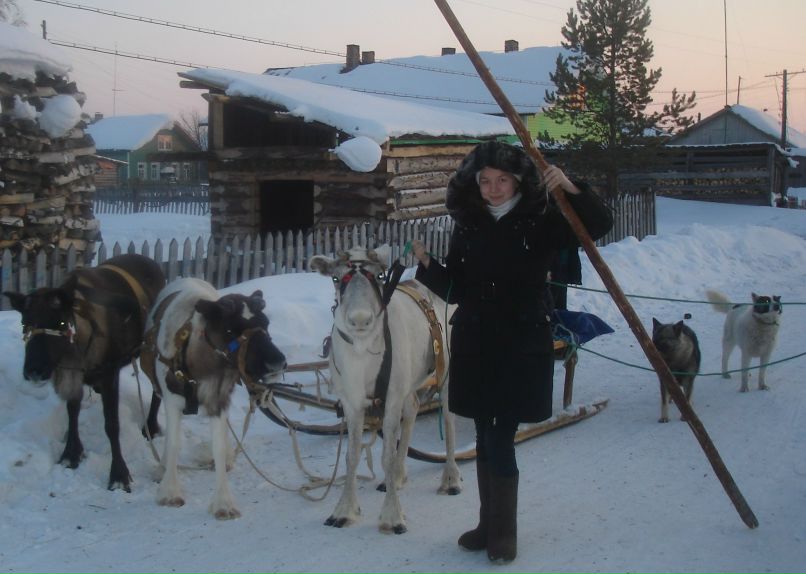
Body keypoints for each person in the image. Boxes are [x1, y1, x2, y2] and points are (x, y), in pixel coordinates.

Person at [411, 141, 612, 563]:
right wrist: (429, 268)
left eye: (502, 180)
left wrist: (575, 190)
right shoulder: (468, 223)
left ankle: (505, 532)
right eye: (485, 180)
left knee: (501, 434)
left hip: (520, 340)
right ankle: (488, 525)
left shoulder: (541, 220)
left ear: (519, 182)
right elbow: (459, 288)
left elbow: (598, 225)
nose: (493, 188)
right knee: (485, 432)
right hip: (477, 339)